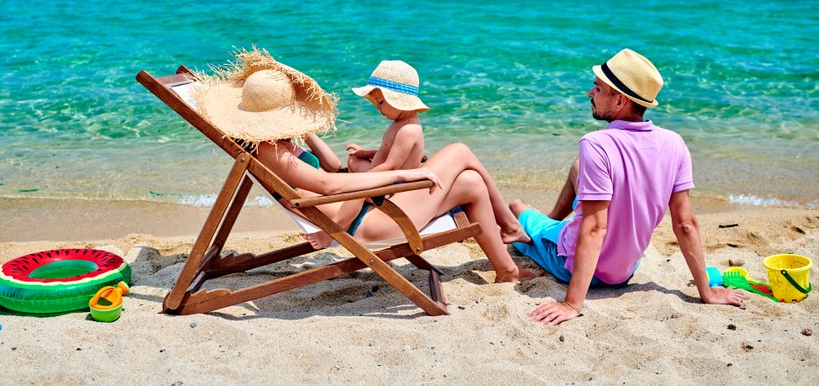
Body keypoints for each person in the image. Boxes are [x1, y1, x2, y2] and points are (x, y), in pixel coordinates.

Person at [193, 48, 537, 283]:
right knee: (460, 151)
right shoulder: (269, 153)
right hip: (367, 224)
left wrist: (307, 135)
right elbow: (329, 188)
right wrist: (402, 173)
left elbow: (328, 169)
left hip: (364, 210)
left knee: (471, 184)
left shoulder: (277, 144)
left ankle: (506, 270)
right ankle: (508, 225)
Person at [509, 48, 747, 326]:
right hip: (624, 272)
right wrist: (706, 291)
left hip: (574, 267)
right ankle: (554, 222)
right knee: (578, 168)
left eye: (597, 89)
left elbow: (596, 228)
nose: (590, 94)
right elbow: (686, 224)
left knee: (518, 208)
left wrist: (572, 304)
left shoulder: (596, 144)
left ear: (620, 100)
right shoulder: (674, 143)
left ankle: (540, 227)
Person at [347, 59, 428, 173]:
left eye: (380, 102)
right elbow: (389, 153)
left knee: (353, 167)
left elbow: (391, 166)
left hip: (392, 182)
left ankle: (354, 187)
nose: (377, 107)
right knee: (353, 158)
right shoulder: (401, 122)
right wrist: (365, 153)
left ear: (398, 101)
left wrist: (363, 178)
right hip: (381, 174)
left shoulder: (408, 130)